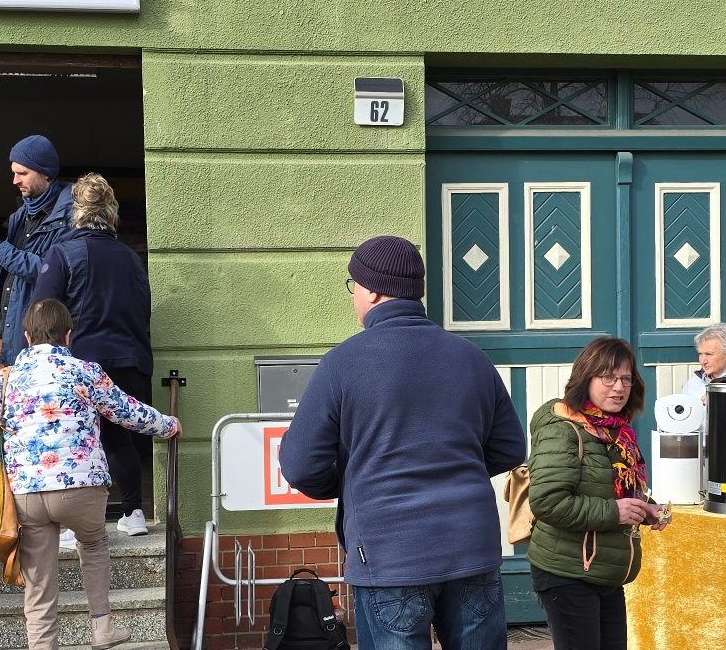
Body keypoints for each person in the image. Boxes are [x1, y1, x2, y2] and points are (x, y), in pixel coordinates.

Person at [280, 235, 527, 650]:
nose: (354, 296)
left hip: (388, 554)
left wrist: (351, 480)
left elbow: (301, 465)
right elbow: (509, 447)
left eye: (354, 286)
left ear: (373, 291)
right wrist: (458, 466)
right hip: (471, 546)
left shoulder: (342, 363)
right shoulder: (472, 357)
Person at [0, 299, 180, 650]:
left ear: (27, 337)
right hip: (82, 488)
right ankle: (102, 628)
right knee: (92, 543)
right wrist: (168, 425)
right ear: (68, 334)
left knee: (38, 578)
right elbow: (127, 412)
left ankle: (42, 645)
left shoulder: (1, 381)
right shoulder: (85, 372)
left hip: (26, 492)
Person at [526, 337, 670, 650]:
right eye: (608, 378)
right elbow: (548, 502)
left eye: (626, 379)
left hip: (605, 571)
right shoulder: (562, 429)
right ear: (585, 378)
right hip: (567, 572)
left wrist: (644, 507)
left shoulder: (617, 430)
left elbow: (610, 486)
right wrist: (615, 512)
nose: (619, 388)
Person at [31, 173, 154, 538]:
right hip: (129, 360)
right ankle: (134, 512)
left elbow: (43, 312)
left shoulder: (62, 254)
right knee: (119, 439)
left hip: (79, 363)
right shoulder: (131, 258)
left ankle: (73, 525)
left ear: (75, 213)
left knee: (74, 440)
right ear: (111, 213)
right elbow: (144, 311)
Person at [0, 134, 73, 367]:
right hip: (3, 337)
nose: (15, 180)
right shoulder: (20, 216)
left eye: (23, 173)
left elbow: (49, 273)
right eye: (13, 172)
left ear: (46, 173)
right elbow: (11, 275)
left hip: (37, 343)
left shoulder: (69, 217)